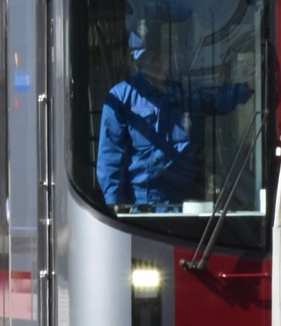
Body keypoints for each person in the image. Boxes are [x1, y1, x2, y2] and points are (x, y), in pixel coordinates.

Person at [97, 19, 252, 211]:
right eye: (146, 60)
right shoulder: (120, 98)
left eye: (156, 58)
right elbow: (110, 158)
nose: (152, 65)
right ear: (137, 61)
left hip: (183, 206)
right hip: (142, 209)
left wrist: (248, 87)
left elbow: (215, 99)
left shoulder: (184, 91)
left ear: (166, 59)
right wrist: (114, 207)